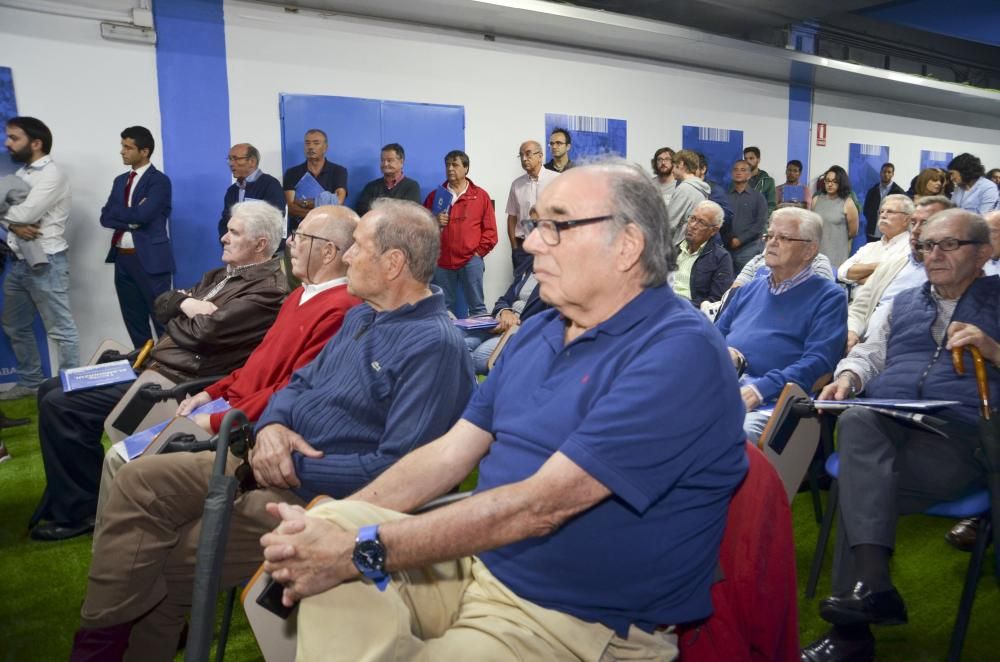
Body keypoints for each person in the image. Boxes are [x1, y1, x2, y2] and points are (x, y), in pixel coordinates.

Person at [258, 160, 748, 662]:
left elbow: (540, 507)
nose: (531, 242)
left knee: (345, 553)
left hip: (572, 619)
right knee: (328, 528)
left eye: (555, 226)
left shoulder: (678, 353)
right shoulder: (540, 329)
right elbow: (450, 454)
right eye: (535, 225)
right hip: (481, 567)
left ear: (627, 245)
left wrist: (360, 550)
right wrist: (337, 527)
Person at [69, 199, 475, 661]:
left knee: (169, 561)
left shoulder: (435, 347)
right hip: (266, 463)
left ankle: (103, 644)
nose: (345, 257)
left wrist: (286, 465)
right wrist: (277, 426)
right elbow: (298, 383)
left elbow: (401, 472)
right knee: (137, 481)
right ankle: (101, 639)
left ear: (393, 263)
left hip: (321, 501)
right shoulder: (364, 315)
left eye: (357, 248)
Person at [802, 208, 998, 662]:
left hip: (958, 439)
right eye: (928, 245)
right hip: (889, 427)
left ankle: (852, 636)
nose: (934, 255)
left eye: (949, 244)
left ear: (983, 252)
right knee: (856, 420)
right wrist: (848, 378)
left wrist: (992, 349)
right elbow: (869, 354)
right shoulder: (903, 302)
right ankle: (873, 586)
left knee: (859, 480)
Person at [30, 201, 289, 542]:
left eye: (234, 232)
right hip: (150, 366)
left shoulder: (267, 289)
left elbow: (204, 334)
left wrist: (179, 313)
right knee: (50, 389)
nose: (223, 238)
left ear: (260, 244)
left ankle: (78, 511)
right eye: (227, 229)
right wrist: (186, 305)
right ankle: (78, 494)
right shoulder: (222, 275)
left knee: (60, 404)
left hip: (174, 385)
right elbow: (162, 302)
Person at [92, 206, 364, 527]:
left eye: (300, 236)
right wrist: (210, 392)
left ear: (329, 251)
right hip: (224, 408)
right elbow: (255, 365)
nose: (290, 243)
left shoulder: (339, 308)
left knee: (119, 461)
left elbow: (292, 389)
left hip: (240, 427)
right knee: (121, 455)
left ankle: (120, 557)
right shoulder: (300, 296)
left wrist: (216, 418)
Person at [716, 207, 845, 442]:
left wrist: (761, 389)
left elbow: (819, 363)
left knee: (725, 438)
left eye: (783, 238)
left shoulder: (829, 297)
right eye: (770, 236)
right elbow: (712, 339)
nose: (771, 243)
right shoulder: (747, 290)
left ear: (809, 250)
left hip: (775, 401)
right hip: (722, 386)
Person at [1, 116, 81, 401]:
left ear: (36, 143)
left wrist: (9, 218)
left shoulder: (52, 175)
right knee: (14, 324)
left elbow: (25, 215)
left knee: (61, 329)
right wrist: (11, 223)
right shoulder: (22, 175)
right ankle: (31, 382)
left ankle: (69, 389)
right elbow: (15, 219)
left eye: (14, 138)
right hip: (19, 262)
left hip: (47, 262)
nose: (7, 143)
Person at [99, 126, 175, 348]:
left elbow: (145, 215)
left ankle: (168, 369)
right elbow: (105, 217)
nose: (122, 151)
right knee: (134, 320)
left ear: (144, 151)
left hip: (151, 260)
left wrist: (127, 215)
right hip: (122, 259)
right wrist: (132, 219)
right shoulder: (120, 180)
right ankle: (142, 367)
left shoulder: (159, 181)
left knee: (162, 318)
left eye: (128, 147)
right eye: (122, 146)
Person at [845, 196, 953, 352]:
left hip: (905, 350)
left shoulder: (949, 275)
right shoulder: (896, 263)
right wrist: (852, 331)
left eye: (925, 223)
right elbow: (860, 306)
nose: (915, 231)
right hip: (864, 345)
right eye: (914, 223)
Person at [423, 150, 497, 316]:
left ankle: (479, 340)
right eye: (447, 165)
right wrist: (434, 220)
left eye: (455, 165)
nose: (450, 168)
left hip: (471, 260)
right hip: (442, 261)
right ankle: (446, 341)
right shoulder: (435, 196)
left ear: (466, 168)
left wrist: (478, 254)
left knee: (477, 307)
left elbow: (490, 231)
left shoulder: (480, 196)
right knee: (442, 309)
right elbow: (422, 230)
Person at [505, 139, 558, 270]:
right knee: (523, 289)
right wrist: (514, 247)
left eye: (528, 154)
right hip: (523, 248)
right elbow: (512, 217)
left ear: (540, 156)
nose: (524, 159)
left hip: (551, 247)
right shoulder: (517, 185)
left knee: (550, 288)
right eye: (521, 155)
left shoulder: (557, 180)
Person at [837, 194, 912, 287]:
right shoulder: (870, 247)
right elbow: (842, 272)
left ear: (906, 219)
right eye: (881, 211)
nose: (883, 215)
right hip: (855, 300)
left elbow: (896, 280)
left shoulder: (911, 249)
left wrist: (858, 279)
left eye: (890, 211)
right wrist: (877, 267)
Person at [282, 129, 348, 233]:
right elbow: (290, 208)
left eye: (316, 143)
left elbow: (338, 202)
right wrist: (322, 210)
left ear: (325, 147)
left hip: (329, 231)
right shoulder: (292, 173)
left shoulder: (338, 171)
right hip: (300, 231)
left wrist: (303, 203)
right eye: (307, 143)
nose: (311, 147)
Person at [671, 200, 733, 308]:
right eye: (692, 219)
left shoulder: (720, 258)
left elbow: (715, 301)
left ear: (714, 230)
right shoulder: (674, 250)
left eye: (701, 222)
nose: (693, 226)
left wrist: (680, 306)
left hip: (689, 313)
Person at [217, 143, 285, 238]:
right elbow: (225, 221)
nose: (231, 164)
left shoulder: (270, 184)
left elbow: (276, 219)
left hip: (264, 248)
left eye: (236, 159)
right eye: (230, 159)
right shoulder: (232, 190)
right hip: (237, 248)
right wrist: (227, 240)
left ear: (252, 161)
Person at [354, 143, 422, 217]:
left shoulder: (412, 186)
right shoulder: (371, 186)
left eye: (390, 160)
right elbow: (361, 208)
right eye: (382, 160)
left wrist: (376, 209)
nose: (385, 164)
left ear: (401, 162)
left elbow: (410, 212)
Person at [812, 166, 859, 271]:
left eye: (834, 181)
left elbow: (853, 232)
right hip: (817, 255)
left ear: (841, 182)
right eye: (827, 181)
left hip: (837, 256)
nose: (830, 184)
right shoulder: (816, 199)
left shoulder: (848, 203)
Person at [724, 159, 768, 272]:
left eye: (743, 170)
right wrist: (730, 239)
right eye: (736, 170)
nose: (738, 172)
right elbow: (722, 221)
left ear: (749, 175)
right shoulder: (725, 197)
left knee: (746, 282)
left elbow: (760, 224)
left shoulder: (758, 198)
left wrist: (740, 239)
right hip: (727, 247)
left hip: (750, 248)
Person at [665, 149, 710, 244]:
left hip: (681, 245)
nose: (672, 170)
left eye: (674, 166)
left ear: (681, 164)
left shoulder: (684, 189)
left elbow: (669, 223)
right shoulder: (700, 188)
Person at [862, 163, 905, 243]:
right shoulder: (873, 191)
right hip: (872, 233)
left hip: (889, 234)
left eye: (889, 172)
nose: (886, 174)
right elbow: (866, 210)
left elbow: (901, 214)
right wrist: (873, 219)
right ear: (880, 172)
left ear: (893, 174)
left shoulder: (899, 192)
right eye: (884, 171)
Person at [743, 146, 776, 213]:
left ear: (758, 160)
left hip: (761, 221)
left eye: (751, 158)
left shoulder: (768, 181)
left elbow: (771, 205)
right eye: (745, 158)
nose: (748, 161)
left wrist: (761, 218)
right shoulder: (738, 179)